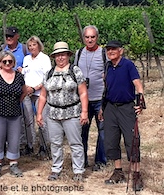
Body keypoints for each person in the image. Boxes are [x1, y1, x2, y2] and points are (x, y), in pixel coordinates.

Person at [36, 41, 89, 182]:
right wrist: (39, 113)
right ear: (54, 57)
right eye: (58, 55)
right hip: (53, 114)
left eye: (63, 55)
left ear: (68, 56)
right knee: (55, 143)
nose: (60, 58)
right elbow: (43, 95)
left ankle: (78, 171)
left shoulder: (75, 71)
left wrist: (84, 111)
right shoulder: (49, 73)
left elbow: (83, 93)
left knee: (75, 143)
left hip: (72, 113)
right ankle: (56, 169)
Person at [100, 40, 144, 191]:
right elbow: (106, 88)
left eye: (113, 49)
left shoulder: (128, 65)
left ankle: (137, 175)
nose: (110, 52)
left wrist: (140, 102)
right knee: (111, 141)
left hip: (126, 107)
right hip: (110, 107)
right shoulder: (107, 66)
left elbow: (137, 84)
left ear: (121, 51)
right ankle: (118, 171)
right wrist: (102, 108)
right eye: (108, 50)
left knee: (132, 140)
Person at [0, 51, 27, 179]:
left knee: (14, 138)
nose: (7, 63)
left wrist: (15, 102)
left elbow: (24, 92)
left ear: (14, 63)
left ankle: (13, 163)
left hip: (14, 112)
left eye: (10, 61)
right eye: (5, 61)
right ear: (0, 63)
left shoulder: (19, 76)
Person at [74, 25, 107, 171]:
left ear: (97, 38)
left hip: (100, 98)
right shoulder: (79, 53)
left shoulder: (103, 53)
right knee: (82, 133)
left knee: (103, 132)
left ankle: (101, 162)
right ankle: (82, 161)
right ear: (83, 38)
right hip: (83, 100)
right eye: (87, 37)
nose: (90, 39)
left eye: (92, 37)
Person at [18, 36, 51, 157]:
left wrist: (35, 88)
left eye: (34, 45)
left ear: (39, 45)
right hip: (27, 92)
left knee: (42, 119)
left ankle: (44, 146)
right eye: (30, 45)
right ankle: (30, 145)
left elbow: (47, 77)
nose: (32, 47)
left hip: (39, 92)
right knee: (27, 120)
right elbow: (25, 74)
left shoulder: (44, 58)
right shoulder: (26, 59)